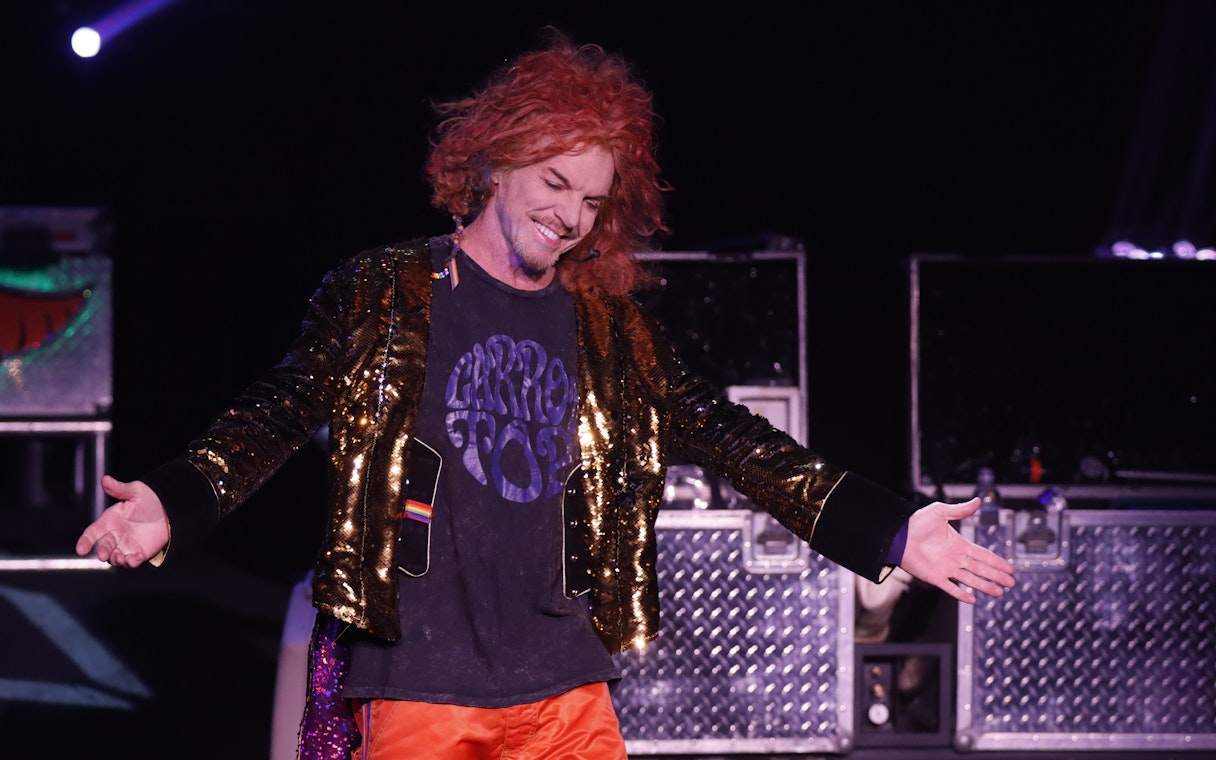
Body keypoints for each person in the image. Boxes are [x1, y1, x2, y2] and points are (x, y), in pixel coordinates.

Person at [76, 28, 1016, 760]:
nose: (569, 217)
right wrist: (173, 497)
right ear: (493, 160)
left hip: (566, 689)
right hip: (420, 684)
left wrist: (890, 530)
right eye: (555, 183)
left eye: (592, 202)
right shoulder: (387, 290)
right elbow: (280, 409)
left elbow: (734, 440)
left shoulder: (608, 328)